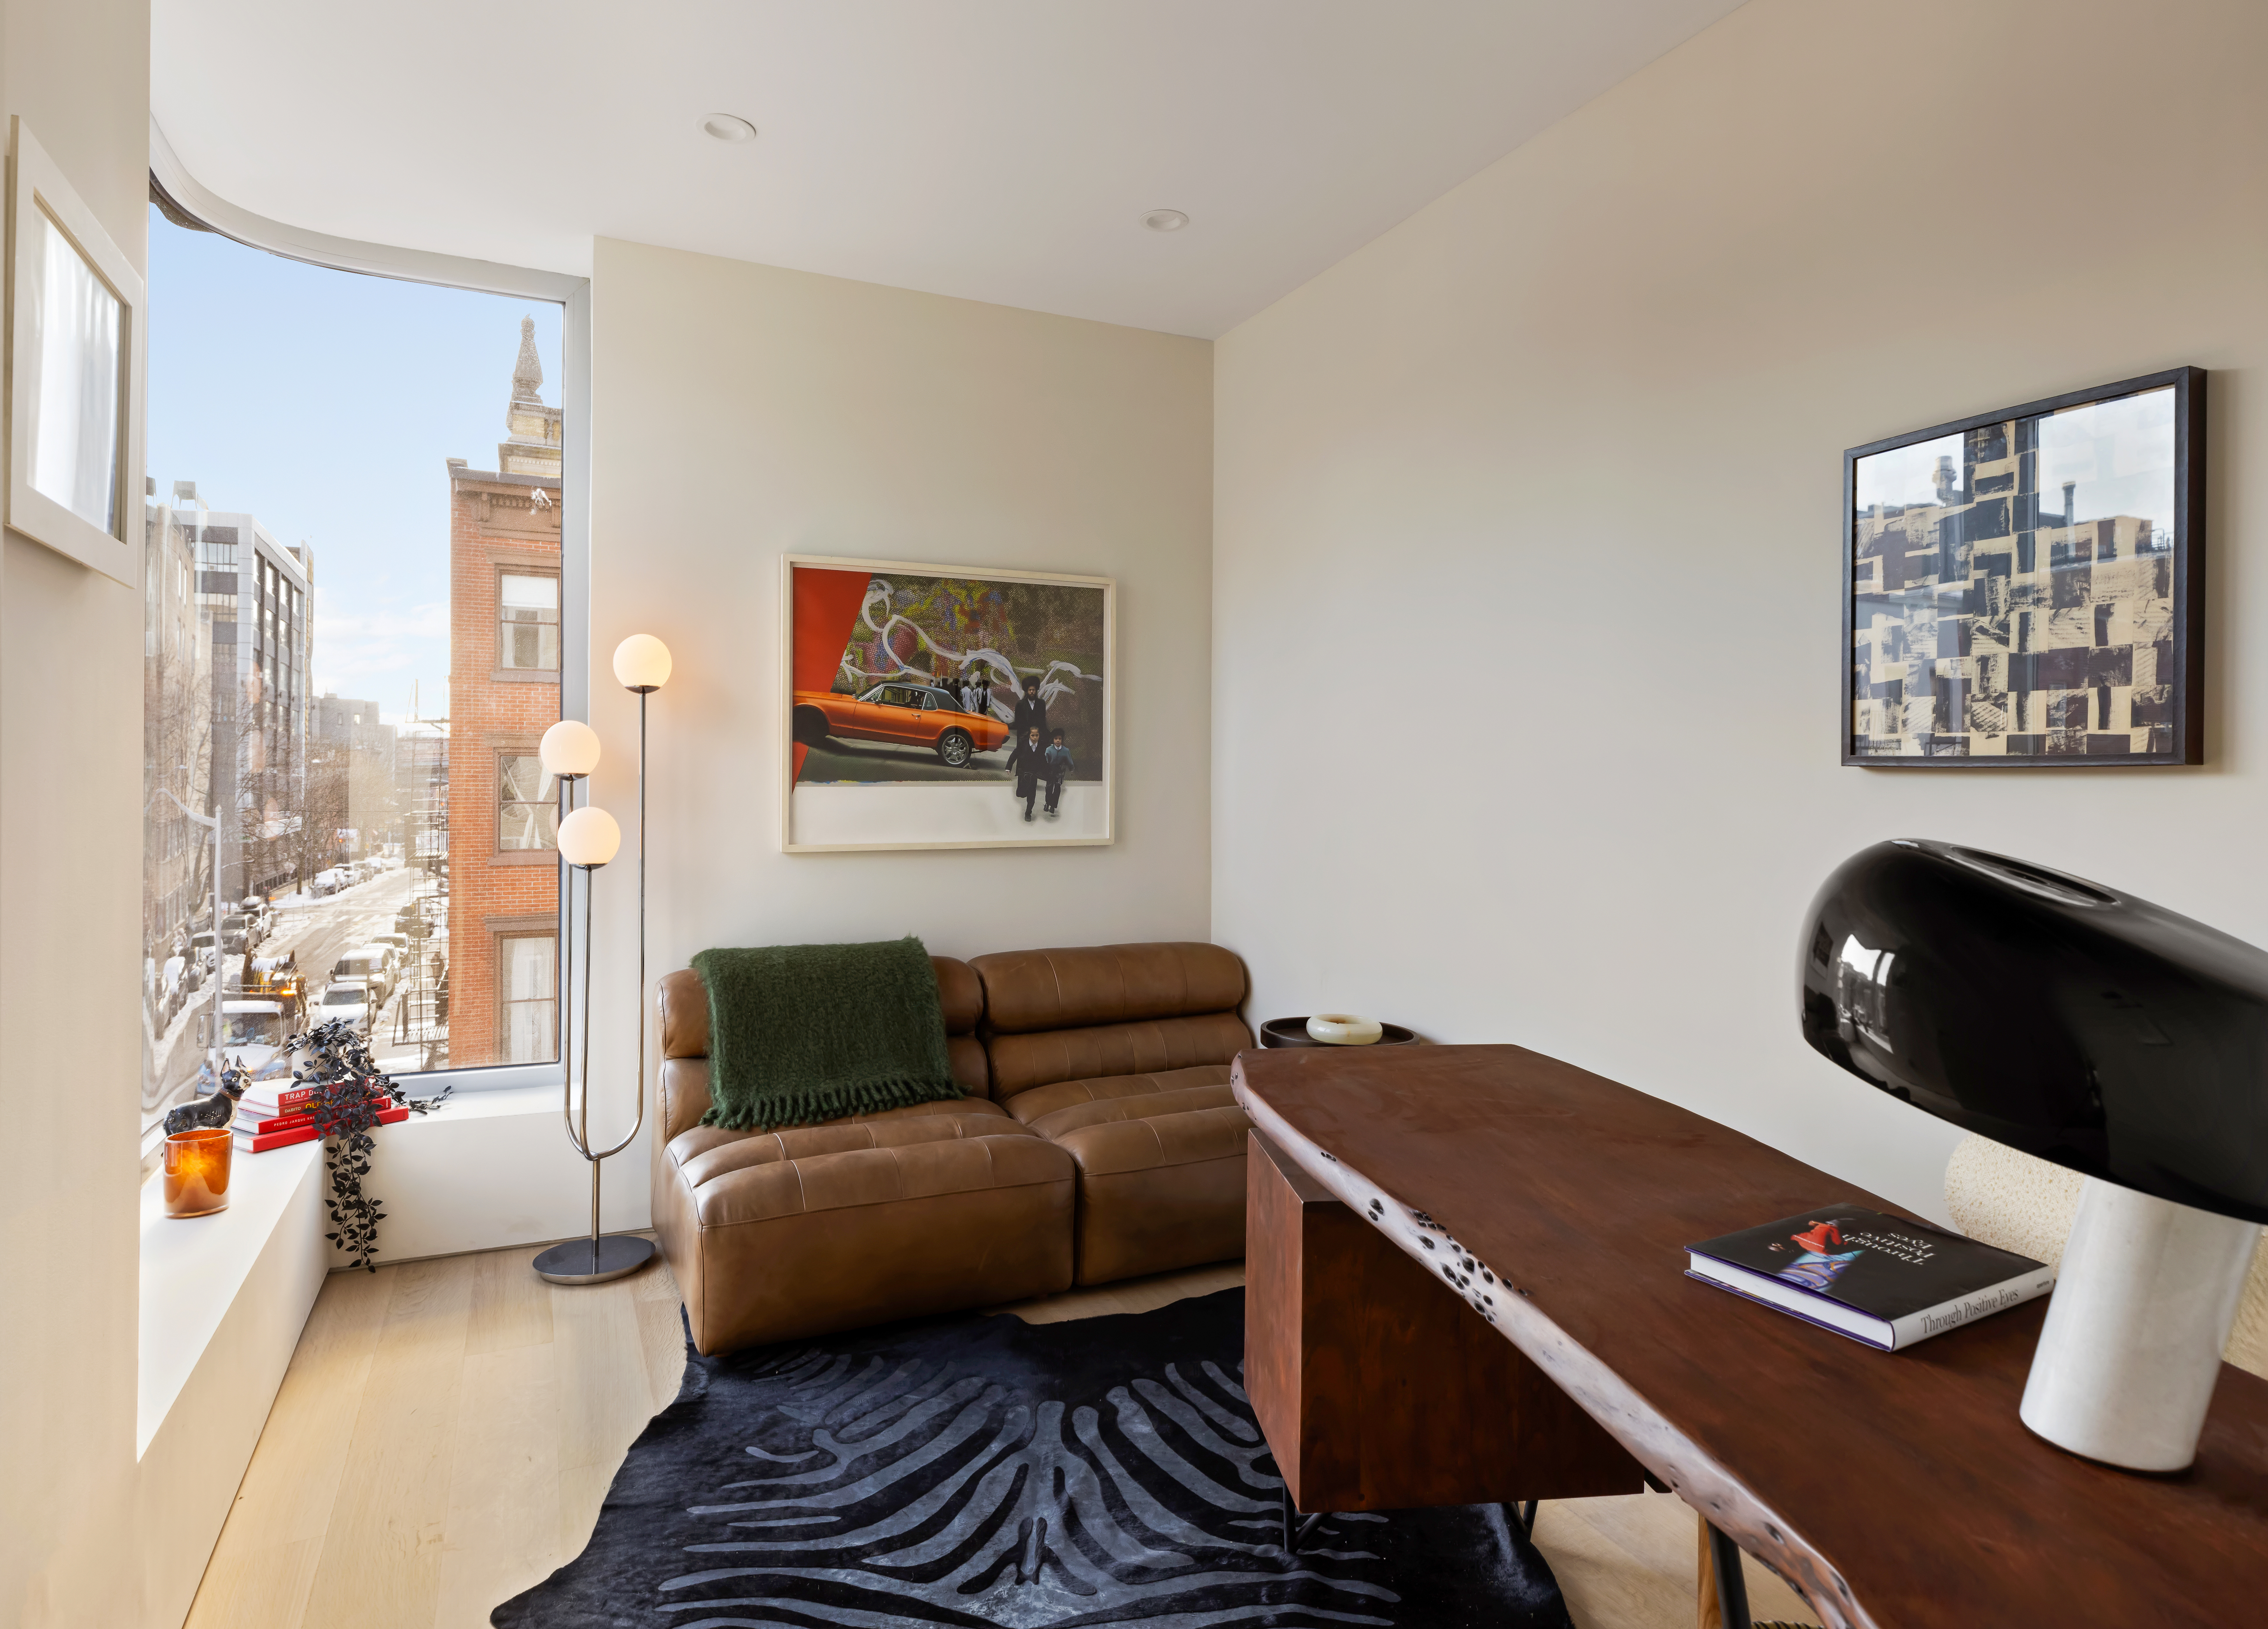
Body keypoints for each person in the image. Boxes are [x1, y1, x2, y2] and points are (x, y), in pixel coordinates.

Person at [1008, 676, 1049, 791]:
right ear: (1027, 691)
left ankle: (1032, 785)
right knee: (1023, 759)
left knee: (1035, 759)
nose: (1032, 692)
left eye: (1034, 690)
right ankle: (1021, 786)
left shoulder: (1041, 704)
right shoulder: (1020, 704)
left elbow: (1043, 722)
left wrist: (1047, 736)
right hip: (1024, 737)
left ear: (1036, 691)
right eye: (1030, 690)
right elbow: (1018, 722)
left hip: (1036, 736)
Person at [1014, 726, 1044, 821]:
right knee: (1020, 794)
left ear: (1039, 736)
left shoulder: (1042, 746)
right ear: (1029, 736)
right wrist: (1008, 767)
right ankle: (1025, 792)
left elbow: (1045, 760)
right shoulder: (1023, 744)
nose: (1035, 738)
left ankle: (1028, 813)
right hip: (1023, 773)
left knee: (1032, 796)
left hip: (1033, 775)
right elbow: (1015, 754)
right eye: (1033, 735)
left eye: (1037, 735)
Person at [1042, 728, 1073, 819]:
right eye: (1056, 739)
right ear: (1053, 740)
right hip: (1050, 772)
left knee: (1057, 788)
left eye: (1060, 739)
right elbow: (1045, 760)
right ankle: (1047, 803)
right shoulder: (1049, 750)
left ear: (1062, 740)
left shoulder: (1066, 751)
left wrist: (1072, 769)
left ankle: (1053, 806)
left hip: (1060, 773)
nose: (1058, 741)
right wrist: (1044, 769)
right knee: (1049, 788)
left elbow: (1070, 761)